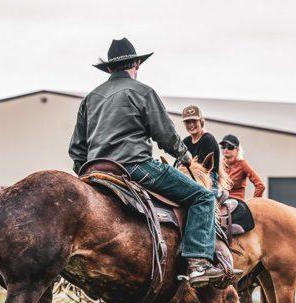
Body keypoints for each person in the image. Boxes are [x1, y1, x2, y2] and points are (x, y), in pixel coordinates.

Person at [69, 37, 233, 287]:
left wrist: (86, 173)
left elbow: (77, 149)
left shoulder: (90, 98)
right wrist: (184, 155)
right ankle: (198, 263)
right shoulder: (143, 91)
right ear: (135, 65)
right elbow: (165, 134)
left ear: (109, 69)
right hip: (135, 167)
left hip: (95, 172)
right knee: (202, 197)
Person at [181, 105, 221, 191]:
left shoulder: (208, 139)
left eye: (194, 121)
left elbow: (201, 169)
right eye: (187, 122)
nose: (191, 124)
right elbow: (179, 164)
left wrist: (186, 166)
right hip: (189, 178)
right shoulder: (186, 141)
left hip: (208, 180)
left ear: (201, 121)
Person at [219, 134, 265, 200]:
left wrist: (254, 201)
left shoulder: (243, 164)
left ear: (237, 150)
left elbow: (260, 186)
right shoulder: (218, 165)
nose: (226, 149)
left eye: (230, 147)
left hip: (237, 201)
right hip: (220, 201)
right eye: (223, 147)